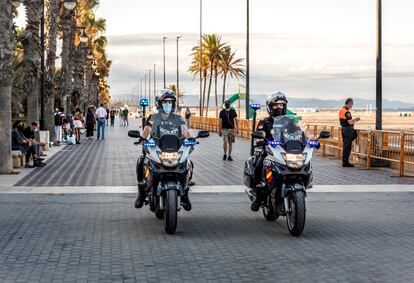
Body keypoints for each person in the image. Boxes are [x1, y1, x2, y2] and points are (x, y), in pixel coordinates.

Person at [134, 89, 193, 210]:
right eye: (165, 102)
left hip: (174, 149)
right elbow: (147, 131)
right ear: (159, 104)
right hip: (158, 148)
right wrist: (142, 139)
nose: (168, 105)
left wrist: (191, 139)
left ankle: (185, 193)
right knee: (141, 161)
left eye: (171, 102)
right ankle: (141, 192)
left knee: (189, 163)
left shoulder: (178, 118)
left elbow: (185, 131)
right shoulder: (153, 118)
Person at [250, 91, 288, 211]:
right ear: (270, 107)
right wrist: (262, 140)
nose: (279, 108)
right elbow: (258, 136)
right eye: (276, 105)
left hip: (285, 152)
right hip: (269, 152)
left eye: (281, 105)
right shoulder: (264, 122)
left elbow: (298, 134)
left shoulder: (289, 122)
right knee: (258, 167)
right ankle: (259, 197)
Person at [339, 98, 360, 167]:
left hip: (344, 129)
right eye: (352, 104)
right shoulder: (347, 112)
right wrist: (356, 120)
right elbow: (349, 122)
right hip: (348, 129)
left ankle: (344, 161)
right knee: (347, 146)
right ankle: (345, 162)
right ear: (349, 103)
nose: (352, 105)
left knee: (346, 145)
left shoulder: (341, 110)